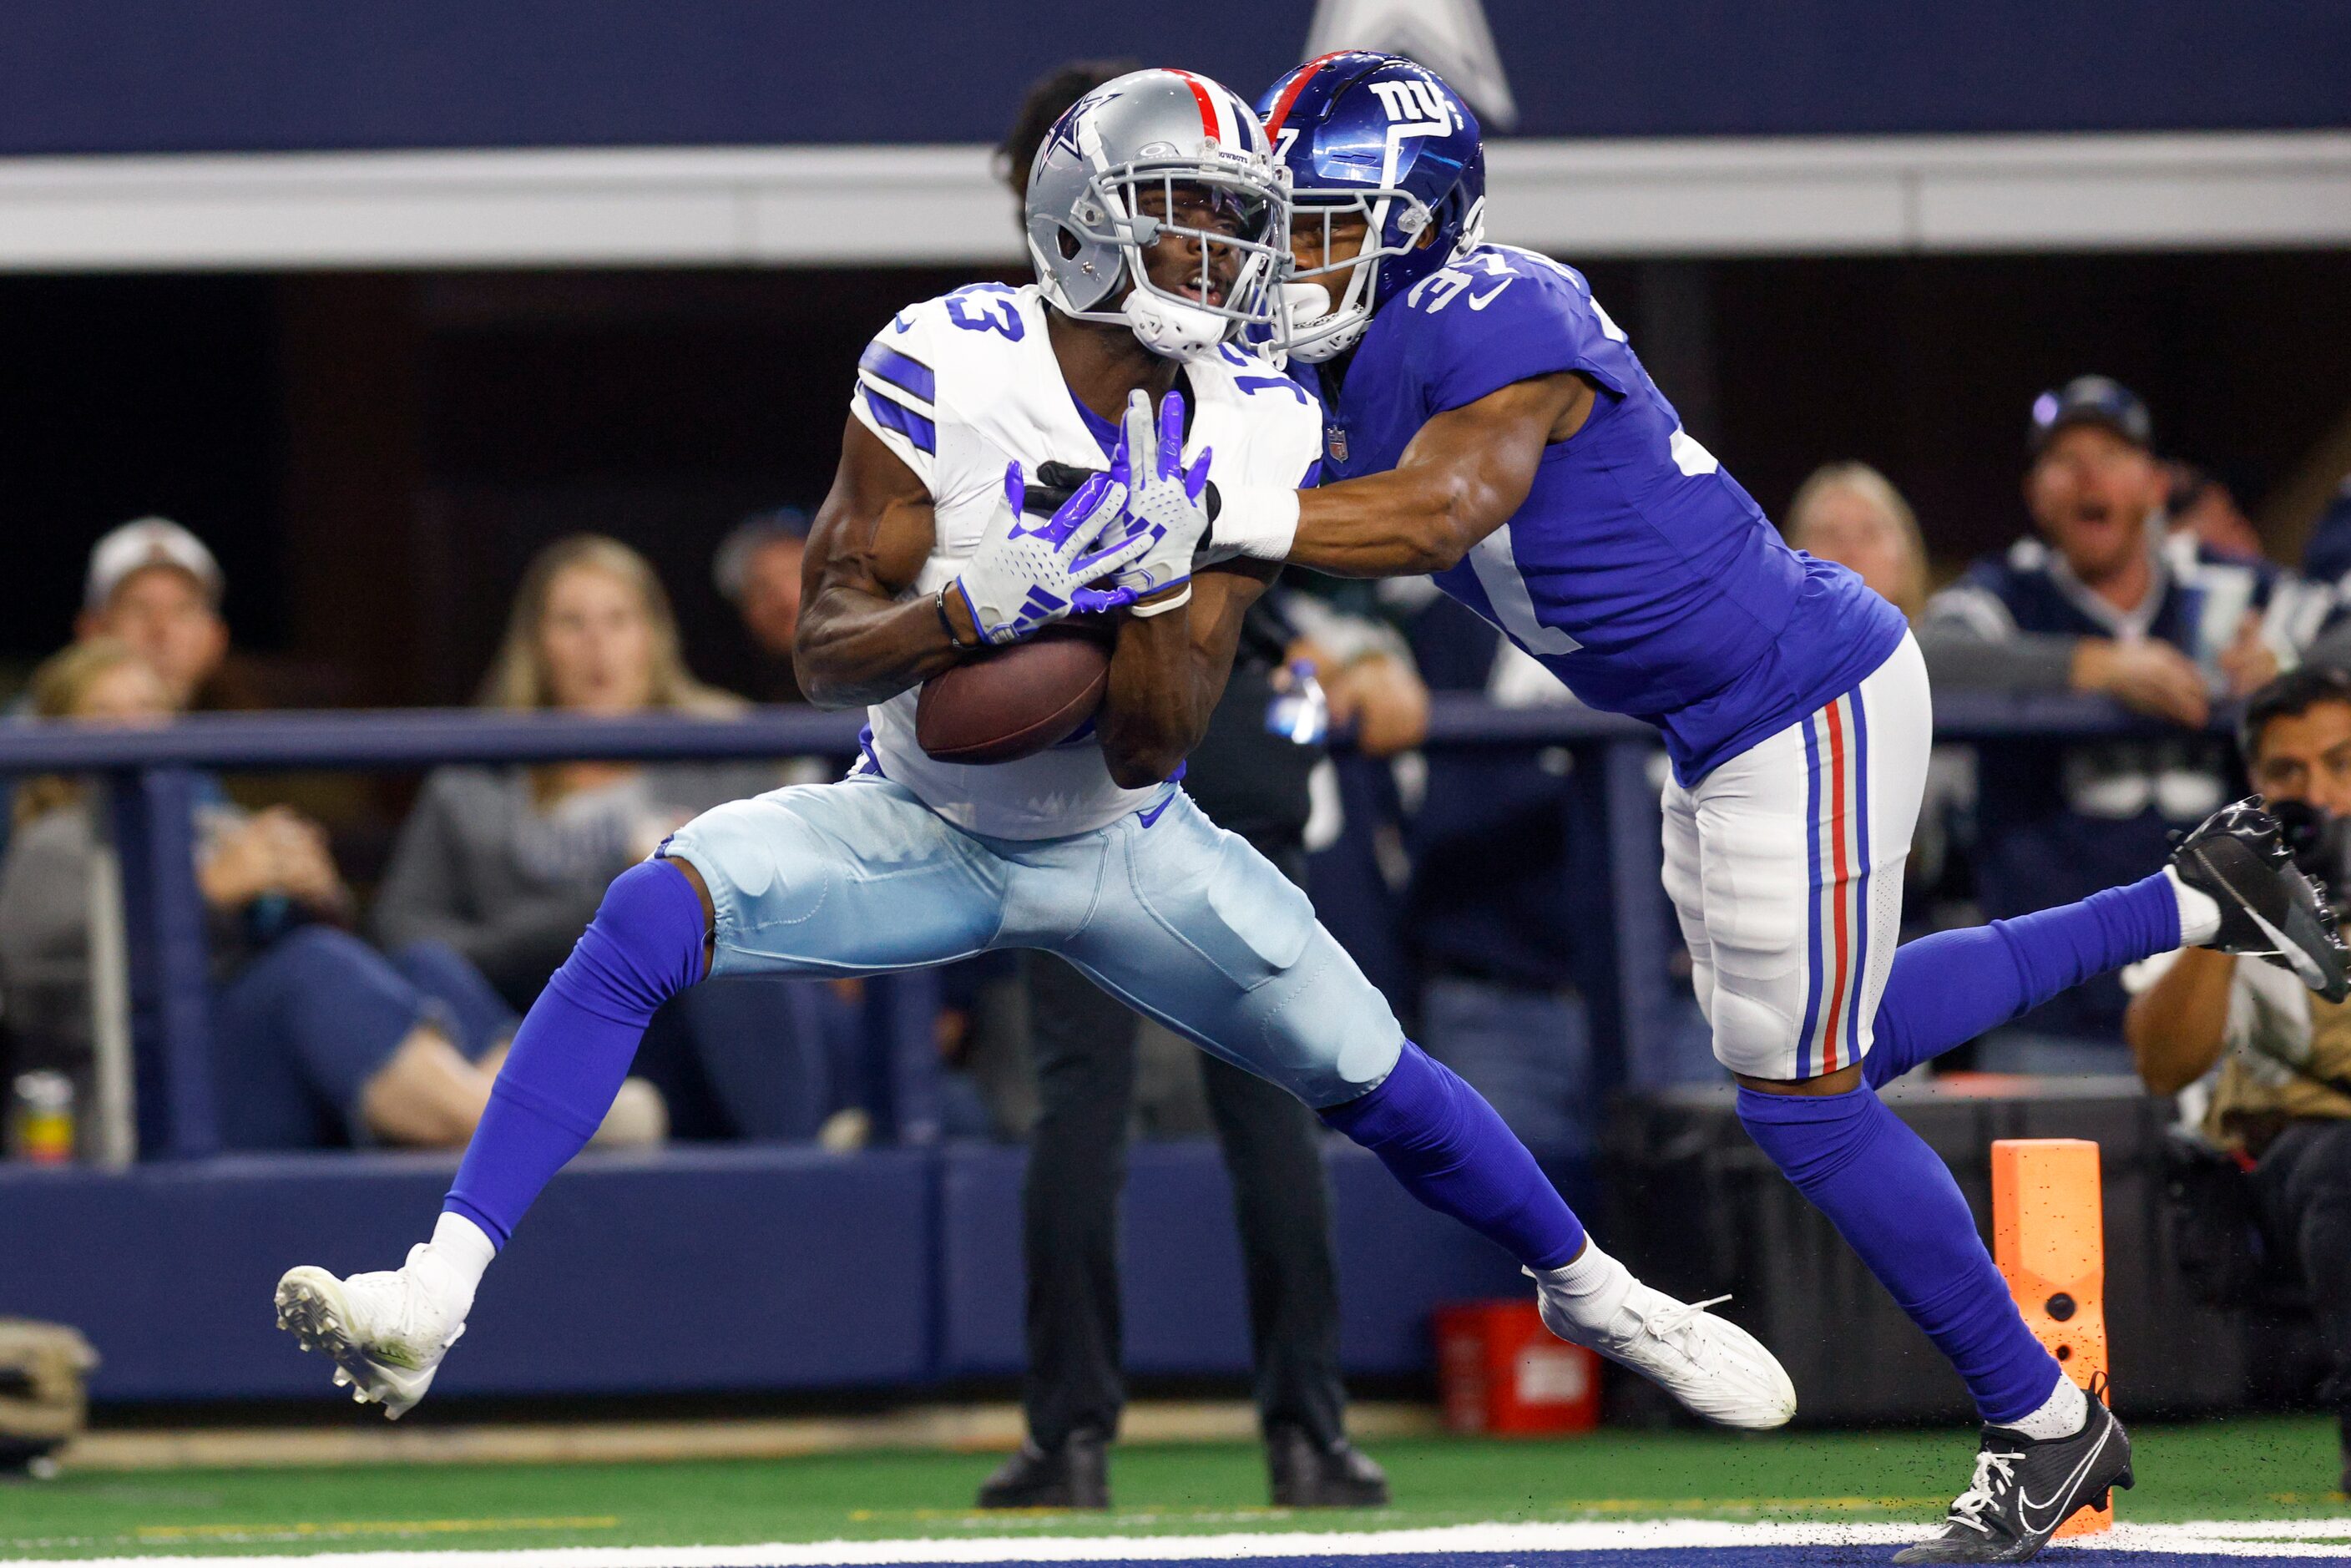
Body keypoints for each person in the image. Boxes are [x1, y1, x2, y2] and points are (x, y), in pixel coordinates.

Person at [271, 70, 1793, 1465]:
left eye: (1240, 222)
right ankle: (437, 1285)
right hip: (918, 810)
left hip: (1126, 833)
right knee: (647, 917)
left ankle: (1601, 1293)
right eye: (1189, 216)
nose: (1225, 255)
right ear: (1085, 225)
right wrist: (976, 608)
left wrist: (1150, 581)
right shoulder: (947, 357)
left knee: (1368, 1068)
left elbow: (1150, 733)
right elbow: (821, 644)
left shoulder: (1256, 411)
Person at [1190, 53, 2348, 1560]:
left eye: (1330, 221)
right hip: (1729, 718)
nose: (1298, 257)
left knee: (1800, 1103)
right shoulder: (1347, 355)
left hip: (1800, 693)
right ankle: (2201, 897)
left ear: (1420, 220)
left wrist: (1215, 511)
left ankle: (2045, 1419)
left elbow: (1441, 507)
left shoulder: (1501, 307)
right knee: (1826, 1048)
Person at [975, 60, 1391, 1510]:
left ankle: (1074, 1433)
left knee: (1082, 1092)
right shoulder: (1235, 312)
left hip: (1100, 710)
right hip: (1228, 704)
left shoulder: (1019, 350)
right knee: (1264, 1083)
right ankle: (1306, 1429)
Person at [0, 641, 664, 1153]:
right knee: (307, 971)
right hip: (153, 1099)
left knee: (421, 965)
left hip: (270, 1071)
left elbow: (330, 947)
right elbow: (48, 996)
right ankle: (532, 1126)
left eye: (147, 712)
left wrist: (313, 895)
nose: (131, 734)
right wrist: (206, 895)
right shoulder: (55, 842)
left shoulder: (211, 822)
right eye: (104, 715)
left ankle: (516, 1107)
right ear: (61, 736)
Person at [1924, 378, 2336, 1065]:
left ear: (2153, 484)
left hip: (2222, 1012)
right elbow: (1926, 656)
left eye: (2112, 455)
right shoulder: (2012, 593)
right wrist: (2092, 667)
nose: (2088, 474)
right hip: (2049, 1014)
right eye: (2064, 459)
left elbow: (2343, 635)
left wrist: (2284, 666)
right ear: (2035, 496)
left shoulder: (2229, 592)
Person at [2121, 666, 2351, 1498]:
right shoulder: (2222, 873)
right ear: (2257, 783)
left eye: (2340, 764)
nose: (2317, 793)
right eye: (2288, 773)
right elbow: (2160, 1065)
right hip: (2283, 1173)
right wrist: (2219, 917)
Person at [713, 508, 815, 705]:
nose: (785, 598)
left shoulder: (883, 690)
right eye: (764, 588)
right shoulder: (728, 710)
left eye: (796, 574)